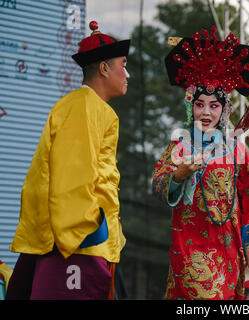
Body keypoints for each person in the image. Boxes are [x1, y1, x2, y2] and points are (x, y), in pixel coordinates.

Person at [6, 21, 130, 300]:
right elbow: (72, 177)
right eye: (123, 64)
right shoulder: (86, 105)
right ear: (104, 68)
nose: (127, 73)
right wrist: (83, 236)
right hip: (75, 247)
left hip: (76, 242)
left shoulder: (89, 106)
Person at [152, 26, 249, 300]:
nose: (205, 111)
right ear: (191, 106)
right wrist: (178, 175)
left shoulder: (236, 147)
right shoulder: (179, 145)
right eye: (200, 104)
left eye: (214, 106)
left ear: (224, 110)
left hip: (228, 244)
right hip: (189, 243)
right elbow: (158, 184)